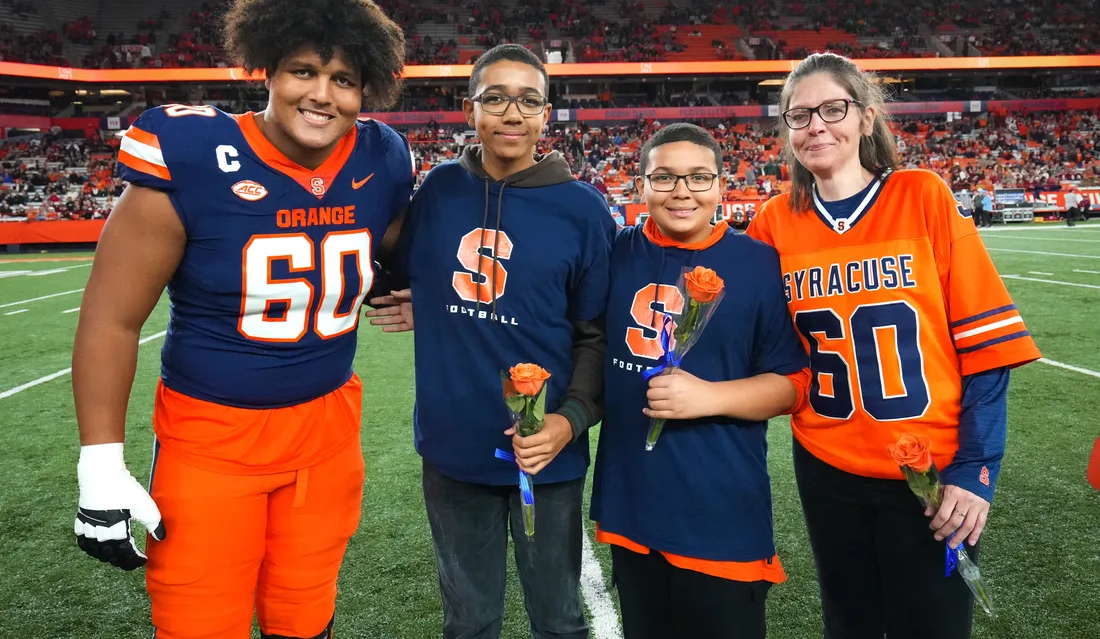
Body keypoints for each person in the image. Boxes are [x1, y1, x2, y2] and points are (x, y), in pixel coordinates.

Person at [72, 0, 412, 639]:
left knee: (305, 617)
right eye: (303, 71)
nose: (321, 94)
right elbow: (111, 318)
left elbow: (391, 256)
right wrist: (99, 463)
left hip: (328, 436)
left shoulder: (382, 157)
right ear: (267, 69)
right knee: (200, 622)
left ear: (366, 88)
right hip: (212, 442)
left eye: (343, 79)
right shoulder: (196, 154)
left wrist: (413, 294)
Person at [747, 52, 1041, 639]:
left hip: (930, 467)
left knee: (932, 625)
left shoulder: (922, 195)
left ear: (866, 117)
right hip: (827, 463)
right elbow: (754, 340)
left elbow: (987, 350)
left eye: (833, 109)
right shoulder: (774, 222)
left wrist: (977, 468)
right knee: (849, 624)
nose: (816, 126)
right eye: (798, 115)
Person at [367, 44, 614, 639]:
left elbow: (597, 336)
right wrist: (428, 306)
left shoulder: (583, 210)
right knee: (470, 621)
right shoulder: (438, 191)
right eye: (495, 97)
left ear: (546, 114)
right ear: (469, 107)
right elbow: (385, 276)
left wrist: (569, 421)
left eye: (528, 100)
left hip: (548, 452)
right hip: (453, 451)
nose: (512, 112)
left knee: (559, 620)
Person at [590, 123, 811, 639]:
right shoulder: (613, 254)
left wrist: (709, 397)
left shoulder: (757, 264)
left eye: (698, 178)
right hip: (633, 502)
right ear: (640, 183)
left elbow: (795, 383)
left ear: (720, 185)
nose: (682, 191)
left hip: (720, 507)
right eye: (664, 178)